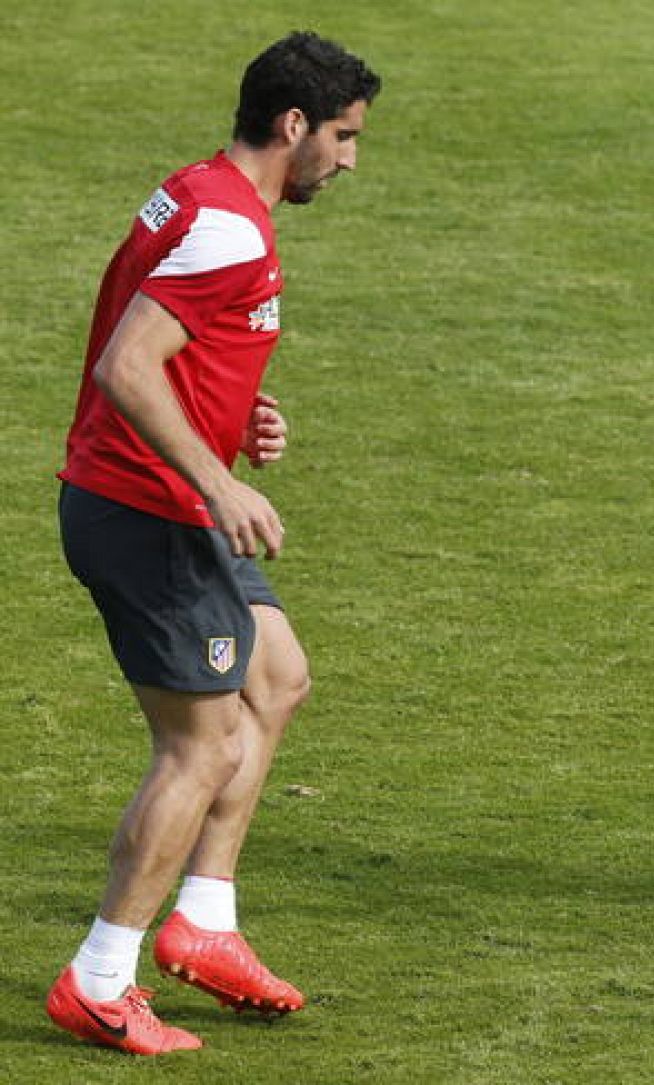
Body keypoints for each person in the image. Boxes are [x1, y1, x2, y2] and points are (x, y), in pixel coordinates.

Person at [47, 31, 381, 1056]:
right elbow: (128, 362)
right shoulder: (232, 230)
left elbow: (176, 344)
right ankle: (100, 977)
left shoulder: (196, 193)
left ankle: (207, 921)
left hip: (167, 496)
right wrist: (216, 472)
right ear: (294, 127)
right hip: (147, 511)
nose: (350, 158)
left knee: (275, 679)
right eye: (343, 136)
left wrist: (238, 419)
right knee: (204, 744)